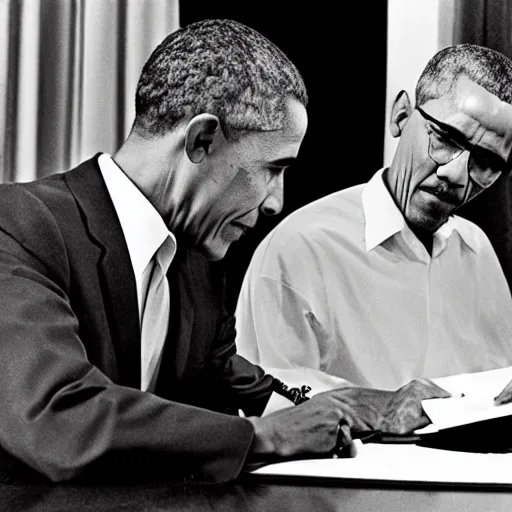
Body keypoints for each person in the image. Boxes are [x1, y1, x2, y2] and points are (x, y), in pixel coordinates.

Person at [0, 18, 363, 484]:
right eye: (273, 168)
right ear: (201, 140)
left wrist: (356, 407)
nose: (276, 201)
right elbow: (56, 417)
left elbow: (233, 380)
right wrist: (262, 436)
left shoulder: (198, 261)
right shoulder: (18, 225)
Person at [235, 44, 512, 424]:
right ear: (401, 116)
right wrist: (381, 408)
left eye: (486, 162)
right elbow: (267, 409)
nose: (456, 174)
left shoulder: (479, 251)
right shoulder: (298, 247)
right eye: (446, 139)